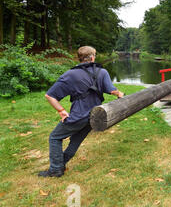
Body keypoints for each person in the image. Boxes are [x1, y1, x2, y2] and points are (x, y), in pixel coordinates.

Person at [38, 46, 124, 178]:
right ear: (93, 57)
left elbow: (49, 96)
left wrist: (61, 111)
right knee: (75, 141)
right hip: (94, 116)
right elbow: (112, 91)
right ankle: (59, 165)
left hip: (78, 116)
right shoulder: (102, 72)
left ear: (79, 58)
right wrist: (120, 93)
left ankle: (55, 169)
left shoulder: (70, 74)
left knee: (55, 137)